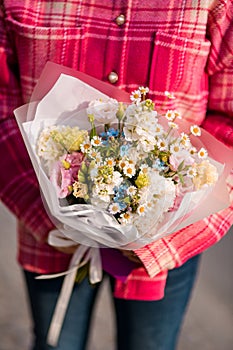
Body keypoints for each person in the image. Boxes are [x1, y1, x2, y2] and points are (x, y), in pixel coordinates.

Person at [0, 1, 233, 349]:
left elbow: (228, 119)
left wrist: (166, 236)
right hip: (53, 235)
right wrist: (52, 213)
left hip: (166, 242)